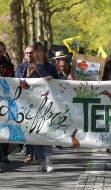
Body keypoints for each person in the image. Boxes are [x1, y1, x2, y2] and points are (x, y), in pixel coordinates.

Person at [26, 41, 59, 172]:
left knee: (47, 131)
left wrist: (53, 80)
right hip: (33, 106)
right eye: (35, 51)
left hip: (49, 105)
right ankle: (40, 161)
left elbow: (60, 85)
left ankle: (48, 159)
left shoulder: (50, 67)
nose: (36, 53)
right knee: (36, 133)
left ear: (44, 52)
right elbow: (22, 85)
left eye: (39, 50)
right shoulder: (28, 67)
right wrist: (28, 75)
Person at [15, 45, 36, 163]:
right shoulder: (20, 67)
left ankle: (40, 154)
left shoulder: (41, 67)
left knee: (39, 128)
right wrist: (27, 76)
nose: (29, 55)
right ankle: (29, 153)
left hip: (40, 102)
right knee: (28, 128)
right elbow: (16, 83)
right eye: (27, 53)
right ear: (24, 55)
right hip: (25, 103)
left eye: (31, 52)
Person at [0, 41, 14, 173]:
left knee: (5, 127)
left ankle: (4, 153)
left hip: (4, 100)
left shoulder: (8, 65)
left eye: (1, 51)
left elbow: (11, 81)